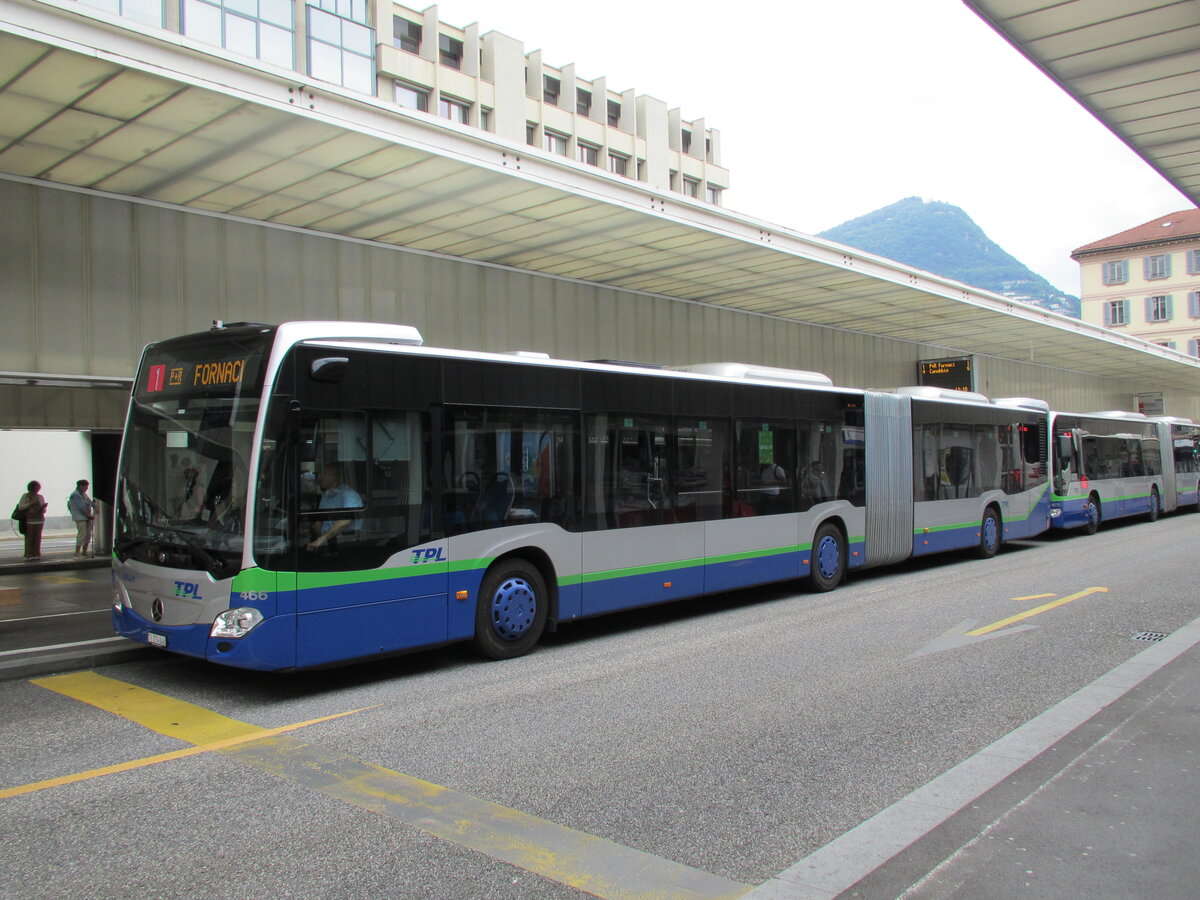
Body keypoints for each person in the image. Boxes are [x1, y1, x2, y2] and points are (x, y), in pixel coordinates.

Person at [306, 464, 363, 552]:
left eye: (324, 474)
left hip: (346, 545)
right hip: (327, 542)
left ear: (334, 477)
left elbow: (344, 521)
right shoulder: (326, 495)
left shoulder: (349, 495)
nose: (320, 478)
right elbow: (320, 521)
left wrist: (320, 540)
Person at [18, 480, 48, 561]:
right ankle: (28, 554)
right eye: (35, 488)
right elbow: (20, 507)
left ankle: (36, 553)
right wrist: (31, 503)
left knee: (38, 537)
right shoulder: (26, 496)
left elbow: (44, 509)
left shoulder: (40, 497)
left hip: (40, 519)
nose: (37, 490)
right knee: (29, 537)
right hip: (29, 520)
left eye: (38, 488)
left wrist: (43, 508)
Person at [68, 479, 96, 557]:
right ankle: (77, 552)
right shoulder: (75, 495)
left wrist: (95, 506)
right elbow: (80, 507)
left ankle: (85, 551)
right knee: (82, 534)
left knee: (88, 534)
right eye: (85, 487)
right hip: (80, 518)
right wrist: (88, 515)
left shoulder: (83, 494)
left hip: (87, 517)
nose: (86, 489)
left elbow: (90, 502)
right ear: (80, 486)